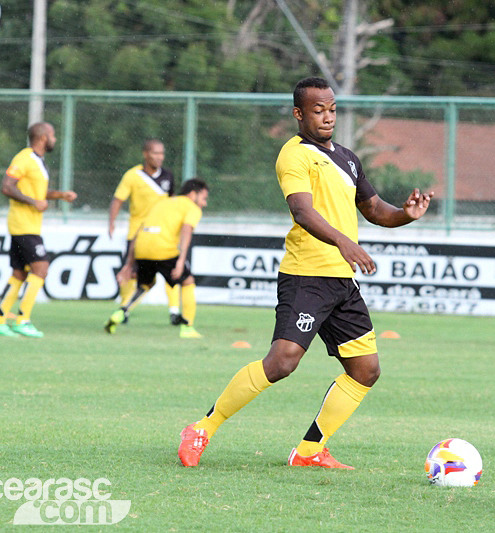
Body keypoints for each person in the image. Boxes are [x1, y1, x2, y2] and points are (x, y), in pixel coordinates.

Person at [177, 76, 434, 469]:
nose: (327, 117)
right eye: (318, 110)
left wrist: (406, 215)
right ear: (299, 114)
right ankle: (201, 428)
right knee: (282, 362)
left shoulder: (348, 159)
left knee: (365, 370)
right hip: (306, 276)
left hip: (341, 283)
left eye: (332, 109)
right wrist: (344, 242)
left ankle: (310, 450)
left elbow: (375, 209)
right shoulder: (293, 155)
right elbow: (302, 210)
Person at [0, 122, 77, 338]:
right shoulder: (24, 158)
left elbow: (39, 194)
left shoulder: (38, 162)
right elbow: (6, 186)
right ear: (43, 137)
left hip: (29, 225)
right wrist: (31, 203)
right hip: (22, 225)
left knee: (19, 273)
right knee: (41, 268)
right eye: (53, 135)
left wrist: (61, 195)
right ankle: (22, 319)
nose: (55, 139)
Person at [104, 178, 209, 339]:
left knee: (146, 283)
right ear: (193, 194)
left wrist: (129, 263)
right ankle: (187, 327)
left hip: (142, 247)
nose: (204, 203)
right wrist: (181, 261)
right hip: (163, 249)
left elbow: (139, 231)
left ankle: (121, 312)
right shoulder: (192, 208)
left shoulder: (163, 203)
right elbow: (187, 230)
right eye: (203, 198)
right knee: (187, 281)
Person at [108, 140, 183, 326]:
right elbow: (118, 200)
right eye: (155, 153)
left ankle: (174, 312)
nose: (159, 157)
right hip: (138, 234)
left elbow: (172, 203)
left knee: (169, 272)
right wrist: (111, 222)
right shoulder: (133, 176)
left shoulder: (168, 176)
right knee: (131, 274)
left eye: (162, 153)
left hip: (163, 233)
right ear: (145, 154)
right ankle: (124, 309)